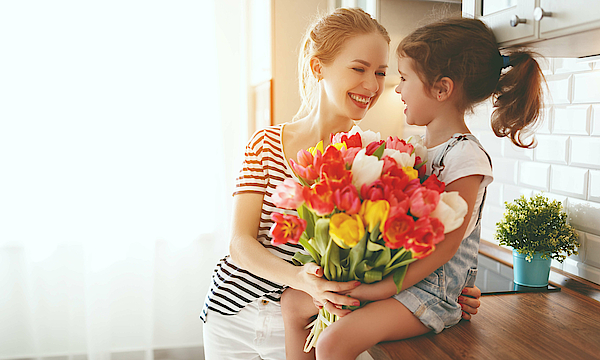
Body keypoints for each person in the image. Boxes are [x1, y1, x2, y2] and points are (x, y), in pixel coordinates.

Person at [201, 8, 482, 360]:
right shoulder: (265, 143)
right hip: (232, 317)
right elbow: (240, 244)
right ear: (318, 67)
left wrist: (451, 289)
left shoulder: (375, 157)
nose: (373, 85)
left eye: (380, 72)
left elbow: (397, 250)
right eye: (359, 68)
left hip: (315, 322)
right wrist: (301, 279)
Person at [281, 15, 545, 360]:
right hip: (399, 285)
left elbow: (444, 251)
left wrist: (374, 291)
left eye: (404, 79)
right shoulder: (417, 148)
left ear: (441, 89)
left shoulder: (466, 157)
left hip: (429, 294)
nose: (397, 89)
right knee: (292, 302)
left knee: (334, 341)